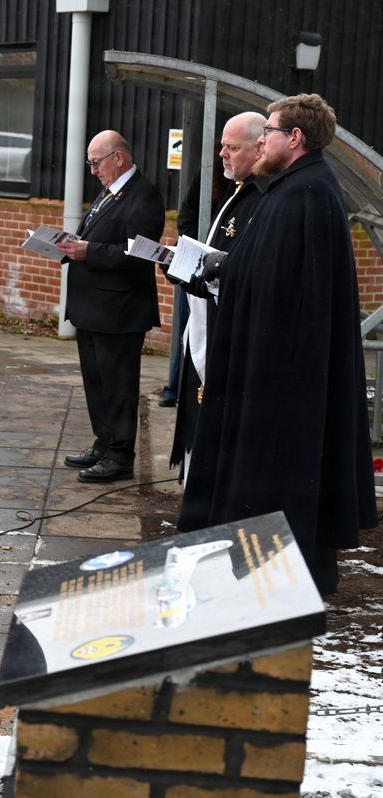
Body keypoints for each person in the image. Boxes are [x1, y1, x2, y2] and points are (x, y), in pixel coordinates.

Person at [178, 94, 378, 596]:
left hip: (280, 381)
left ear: (295, 138)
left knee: (275, 481)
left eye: (268, 130)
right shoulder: (289, 189)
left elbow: (292, 298)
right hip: (270, 371)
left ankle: (272, 581)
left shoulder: (306, 195)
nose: (261, 138)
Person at [56, 131, 166, 483]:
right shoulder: (109, 192)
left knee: (118, 386)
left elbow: (138, 254)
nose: (92, 170)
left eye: (96, 162)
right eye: (90, 163)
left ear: (118, 157)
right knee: (97, 383)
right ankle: (104, 443)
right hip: (92, 308)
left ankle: (120, 455)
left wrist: (89, 251)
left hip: (119, 311)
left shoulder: (143, 195)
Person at [168, 113, 267, 480]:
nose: (222, 154)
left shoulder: (261, 195)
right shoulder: (236, 187)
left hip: (226, 326)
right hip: (204, 315)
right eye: (221, 145)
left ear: (260, 147)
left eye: (231, 147)